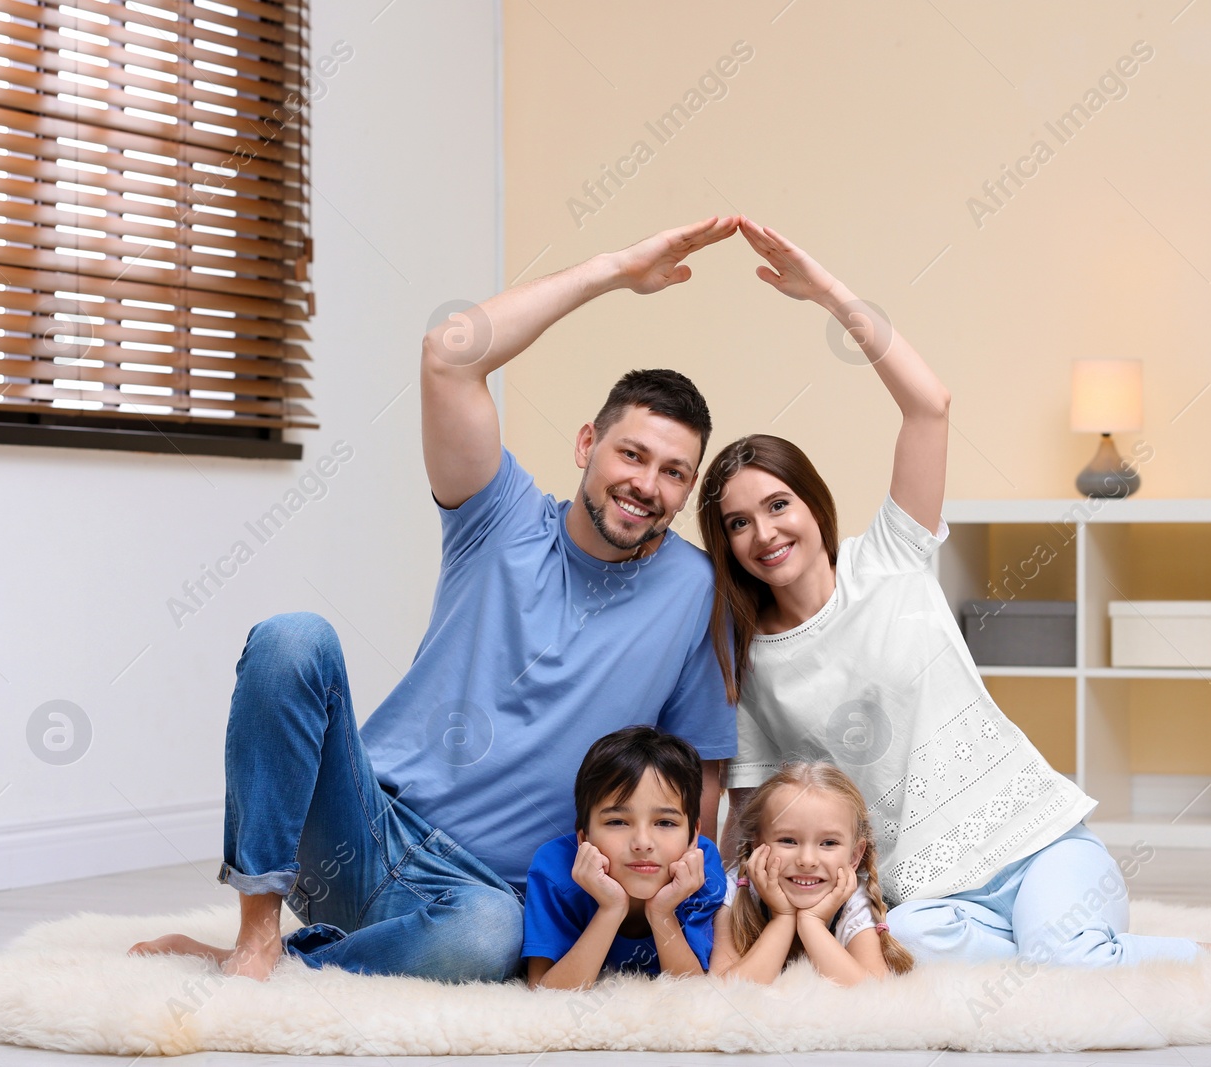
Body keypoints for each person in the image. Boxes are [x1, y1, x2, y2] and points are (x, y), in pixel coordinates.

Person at [130, 216, 745, 981]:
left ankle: (300, 961)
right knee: (292, 638)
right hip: (366, 829)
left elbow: (698, 772)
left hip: (486, 894)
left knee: (487, 938)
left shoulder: (695, 590)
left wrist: (689, 913)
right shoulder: (501, 516)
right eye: (632, 453)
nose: (647, 485)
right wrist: (615, 269)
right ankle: (256, 935)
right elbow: (449, 354)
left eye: (675, 472)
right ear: (588, 444)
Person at [699, 218, 1211, 968]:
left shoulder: (891, 557)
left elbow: (929, 406)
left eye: (778, 504)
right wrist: (719, 901)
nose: (764, 532)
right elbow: (751, 807)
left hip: (1039, 845)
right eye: (738, 522)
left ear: (812, 503)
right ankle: (1068, 947)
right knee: (899, 947)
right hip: (926, 898)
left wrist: (832, 297)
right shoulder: (757, 663)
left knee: (1060, 955)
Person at [523, 726, 726, 989]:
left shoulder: (701, 868)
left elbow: (691, 994)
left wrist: (662, 911)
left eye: (665, 823)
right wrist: (611, 909)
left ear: (693, 835)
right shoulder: (554, 869)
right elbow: (543, 993)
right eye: (618, 821)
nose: (642, 843)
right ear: (584, 837)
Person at [710, 761, 912, 986]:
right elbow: (723, 989)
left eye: (828, 843)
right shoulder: (737, 890)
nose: (807, 861)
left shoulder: (853, 901)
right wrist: (783, 918)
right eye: (788, 840)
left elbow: (874, 992)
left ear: (855, 856)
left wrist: (811, 922)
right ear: (757, 845)